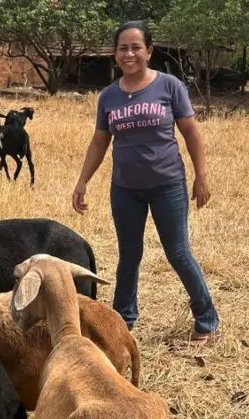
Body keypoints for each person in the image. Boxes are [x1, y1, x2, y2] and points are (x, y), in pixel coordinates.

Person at [71, 20, 220, 343]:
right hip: (125, 189)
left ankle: (207, 321)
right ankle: (122, 322)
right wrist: (82, 181)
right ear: (114, 55)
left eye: (136, 47)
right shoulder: (109, 97)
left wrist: (201, 176)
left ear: (149, 52)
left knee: (178, 252)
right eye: (123, 48)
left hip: (168, 185)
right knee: (129, 255)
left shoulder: (169, 86)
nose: (129, 54)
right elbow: (100, 142)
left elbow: (191, 133)